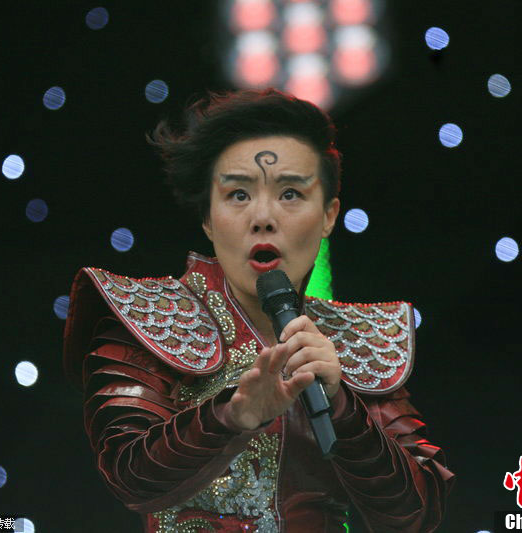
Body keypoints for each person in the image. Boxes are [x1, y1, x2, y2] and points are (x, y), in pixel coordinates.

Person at [63, 88, 455, 532]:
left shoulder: (358, 340)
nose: (263, 217)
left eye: (290, 193)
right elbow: (129, 478)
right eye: (238, 195)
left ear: (329, 215)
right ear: (208, 219)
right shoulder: (149, 316)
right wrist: (231, 417)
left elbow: (417, 514)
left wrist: (344, 408)